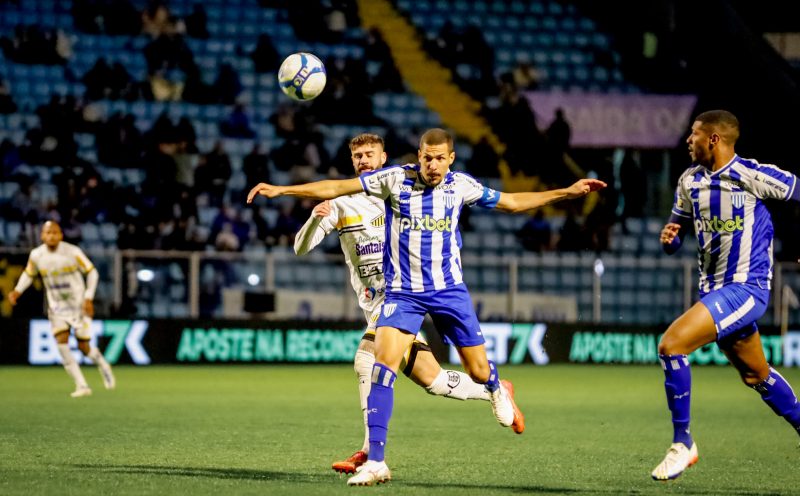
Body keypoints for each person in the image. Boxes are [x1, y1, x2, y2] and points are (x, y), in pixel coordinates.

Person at [248, 128, 606, 486]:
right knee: (378, 365)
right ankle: (375, 459)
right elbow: (333, 188)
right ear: (417, 156)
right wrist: (281, 190)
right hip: (402, 295)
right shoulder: (394, 181)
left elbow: (511, 202)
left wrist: (567, 193)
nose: (432, 165)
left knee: (472, 371)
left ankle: (495, 387)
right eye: (426, 158)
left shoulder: (460, 186)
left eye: (440, 159)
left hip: (448, 292)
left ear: (450, 159)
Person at [293, 133, 498, 474]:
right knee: (433, 381)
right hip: (375, 305)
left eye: (369, 154)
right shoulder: (342, 203)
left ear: (383, 157)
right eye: (357, 155)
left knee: (365, 359)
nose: (363, 160)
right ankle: (494, 389)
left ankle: (369, 452)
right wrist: (317, 216)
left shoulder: (396, 191)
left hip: (403, 297)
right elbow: (300, 248)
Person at [653, 110, 800, 481]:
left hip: (747, 288)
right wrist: (672, 238)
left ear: (713, 139)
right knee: (756, 375)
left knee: (672, 346)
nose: (688, 140)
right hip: (714, 290)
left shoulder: (751, 174)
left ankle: (682, 443)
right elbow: (679, 228)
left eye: (694, 134)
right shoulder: (689, 180)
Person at [7, 221, 115, 398]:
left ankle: (103, 364)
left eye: (55, 232)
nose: (51, 236)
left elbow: (92, 272)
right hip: (57, 307)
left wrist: (88, 297)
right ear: (42, 235)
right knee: (62, 344)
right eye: (48, 233)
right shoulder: (36, 255)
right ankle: (82, 385)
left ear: (61, 235)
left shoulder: (72, 252)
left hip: (78, 305)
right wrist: (18, 291)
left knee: (84, 348)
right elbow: (29, 273)